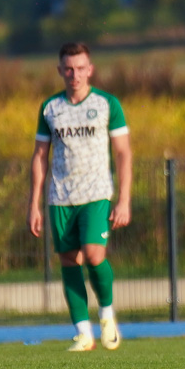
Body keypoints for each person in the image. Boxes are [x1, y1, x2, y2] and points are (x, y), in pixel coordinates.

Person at [28, 42, 132, 352]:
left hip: (96, 194)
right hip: (61, 196)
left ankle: (106, 314)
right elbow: (39, 156)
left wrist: (124, 198)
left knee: (94, 254)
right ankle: (83, 333)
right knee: (69, 260)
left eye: (81, 68)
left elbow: (123, 152)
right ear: (60, 71)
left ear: (90, 69)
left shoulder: (106, 104)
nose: (75, 74)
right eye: (69, 69)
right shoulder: (50, 108)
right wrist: (33, 203)